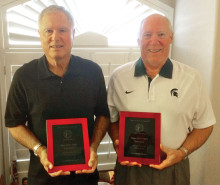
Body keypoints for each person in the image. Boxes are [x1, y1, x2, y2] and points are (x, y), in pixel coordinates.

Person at [5, 5, 110, 185]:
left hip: (85, 176)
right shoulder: (24, 76)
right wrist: (40, 149)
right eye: (49, 31)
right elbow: (14, 124)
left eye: (62, 30)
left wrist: (93, 147)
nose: (56, 37)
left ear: (73, 33)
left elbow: (103, 114)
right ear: (40, 34)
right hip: (42, 177)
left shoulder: (93, 72)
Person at [107, 14, 216, 185]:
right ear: (138, 39)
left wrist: (182, 152)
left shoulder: (192, 78)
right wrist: (116, 142)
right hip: (130, 170)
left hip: (173, 170)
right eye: (147, 35)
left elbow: (206, 124)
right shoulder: (118, 77)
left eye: (161, 34)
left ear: (171, 37)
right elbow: (111, 119)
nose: (154, 41)